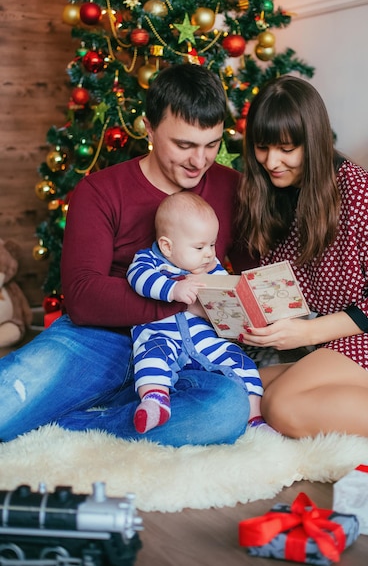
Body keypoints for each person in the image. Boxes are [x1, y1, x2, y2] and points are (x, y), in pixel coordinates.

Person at [0, 64, 256, 446]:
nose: (199, 161)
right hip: (98, 339)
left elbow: (251, 277)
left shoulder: (231, 187)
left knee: (225, 410)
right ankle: (97, 411)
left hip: (184, 348)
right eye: (184, 145)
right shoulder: (100, 191)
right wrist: (180, 301)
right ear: (149, 129)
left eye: (212, 144)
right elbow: (83, 297)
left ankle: (79, 424)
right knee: (6, 405)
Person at [237, 74, 368, 450]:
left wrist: (307, 334)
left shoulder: (358, 190)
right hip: (338, 343)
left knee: (282, 404)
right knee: (244, 385)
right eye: (263, 147)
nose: (272, 161)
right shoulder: (274, 195)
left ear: (313, 141)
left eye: (287, 148)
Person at [126, 191, 267, 434]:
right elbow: (138, 278)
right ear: (167, 246)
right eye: (200, 247)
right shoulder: (149, 260)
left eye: (212, 244)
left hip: (205, 342)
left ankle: (254, 418)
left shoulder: (211, 267)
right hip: (163, 337)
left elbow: (228, 292)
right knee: (151, 355)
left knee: (241, 360)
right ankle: (154, 400)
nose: (210, 254)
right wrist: (174, 289)